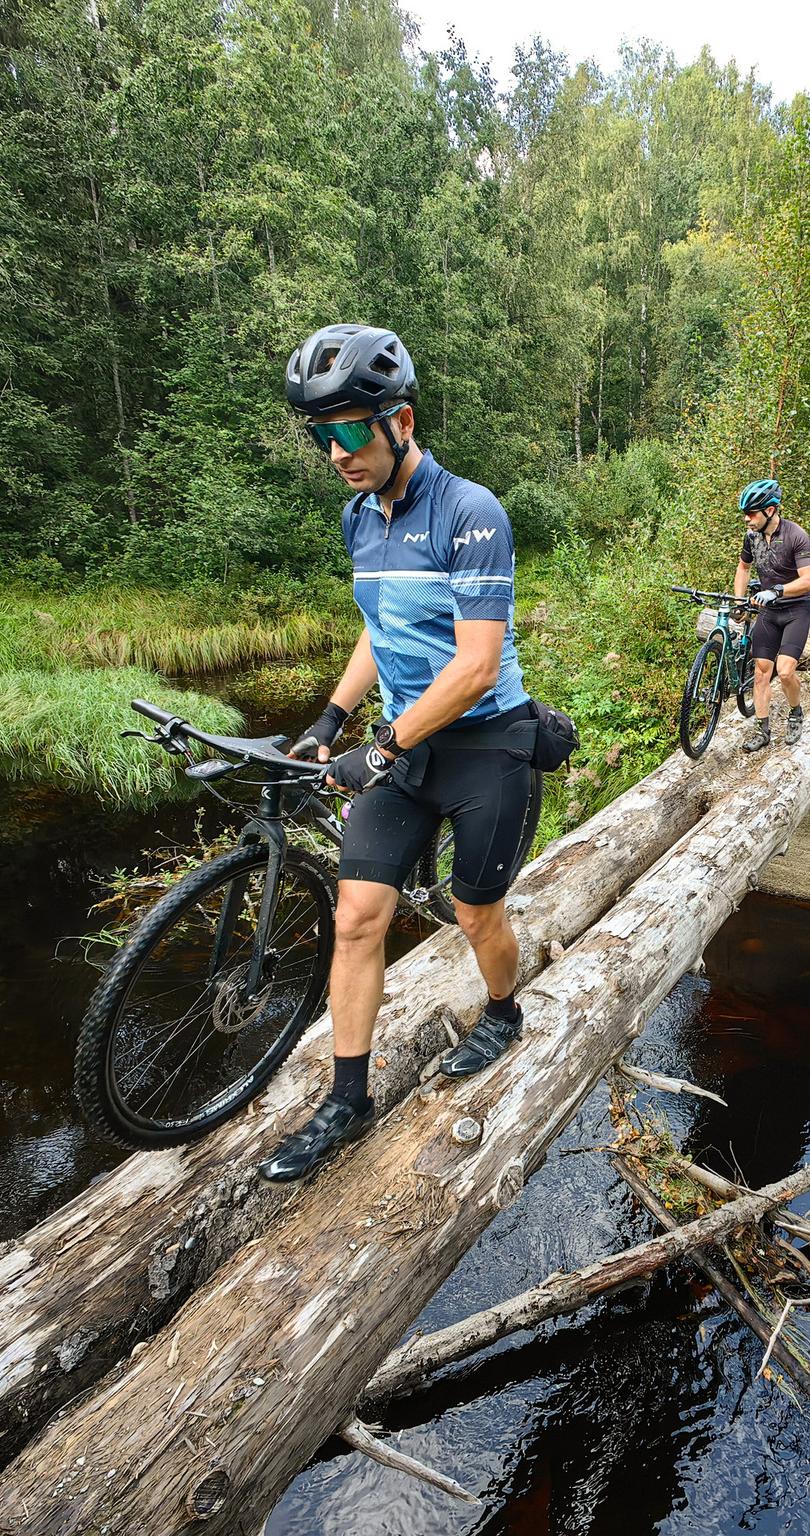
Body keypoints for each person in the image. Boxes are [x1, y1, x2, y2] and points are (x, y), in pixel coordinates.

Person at [255, 323, 541, 1185]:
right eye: (322, 436)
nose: (337, 452)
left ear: (401, 421)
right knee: (355, 917)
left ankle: (502, 1012)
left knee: (475, 912)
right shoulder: (357, 519)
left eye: (350, 430)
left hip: (486, 741)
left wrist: (381, 748)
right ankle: (347, 1101)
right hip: (402, 749)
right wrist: (332, 719)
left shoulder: (469, 512)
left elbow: (476, 664)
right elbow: (378, 633)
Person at [731, 479, 810, 751]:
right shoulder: (751, 537)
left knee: (785, 670)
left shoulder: (795, 535)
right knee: (761, 673)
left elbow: (809, 580)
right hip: (768, 611)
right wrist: (739, 601)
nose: (747, 519)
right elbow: (743, 568)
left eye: (751, 513)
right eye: (745, 513)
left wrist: (777, 591)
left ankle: (795, 712)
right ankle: (762, 729)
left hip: (796, 609)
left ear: (769, 510)